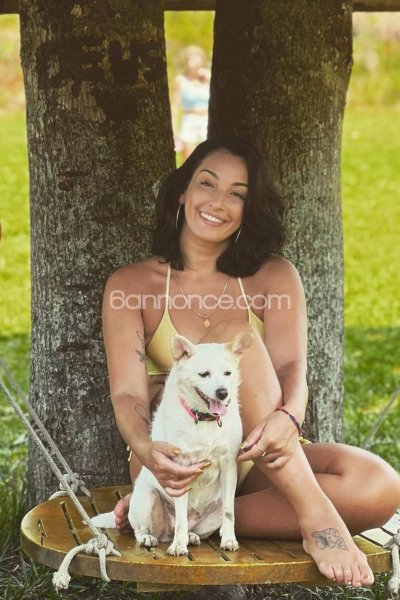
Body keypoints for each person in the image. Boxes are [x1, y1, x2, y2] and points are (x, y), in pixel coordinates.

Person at [102, 135, 400, 588]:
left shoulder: (274, 277)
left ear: (249, 208)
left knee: (378, 485)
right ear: (182, 192)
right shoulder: (131, 285)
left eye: (237, 194)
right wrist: (146, 450)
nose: (217, 202)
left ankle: (197, 521)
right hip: (178, 460)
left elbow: (292, 368)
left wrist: (289, 418)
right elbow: (127, 392)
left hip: (257, 452)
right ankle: (317, 518)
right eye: (207, 184)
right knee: (228, 332)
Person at [172, 46, 210, 160]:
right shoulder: (181, 81)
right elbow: (175, 105)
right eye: (190, 59)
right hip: (189, 121)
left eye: (196, 59)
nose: (193, 63)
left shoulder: (207, 79)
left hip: (206, 121)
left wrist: (208, 78)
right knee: (189, 160)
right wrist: (174, 129)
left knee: (207, 158)